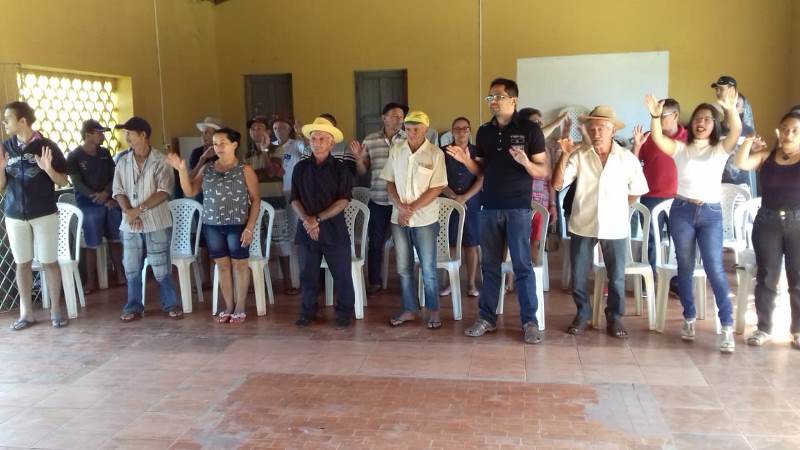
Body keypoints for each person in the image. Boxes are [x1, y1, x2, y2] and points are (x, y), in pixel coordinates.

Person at [448, 78, 548, 344]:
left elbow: (543, 171)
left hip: (517, 208)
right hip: (488, 207)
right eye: (490, 97)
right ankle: (487, 318)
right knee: (489, 266)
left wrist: (526, 162)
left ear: (513, 100)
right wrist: (465, 160)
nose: (492, 101)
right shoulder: (484, 132)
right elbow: (480, 171)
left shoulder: (530, 130)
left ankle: (530, 322)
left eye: (498, 96)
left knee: (522, 267)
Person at [644, 89, 742, 353]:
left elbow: (735, 132)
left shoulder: (720, 149)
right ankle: (689, 318)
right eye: (698, 118)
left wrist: (731, 108)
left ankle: (727, 326)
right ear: (691, 122)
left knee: (714, 268)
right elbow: (657, 137)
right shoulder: (681, 149)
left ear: (714, 125)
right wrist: (655, 116)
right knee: (684, 267)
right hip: (682, 210)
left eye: (708, 119)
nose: (701, 122)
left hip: (710, 213)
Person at [552, 106, 649, 338]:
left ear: (612, 130)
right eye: (592, 127)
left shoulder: (627, 159)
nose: (596, 132)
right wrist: (564, 154)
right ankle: (582, 314)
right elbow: (557, 184)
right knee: (578, 275)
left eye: (601, 128)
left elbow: (636, 191)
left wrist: (617, 207)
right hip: (583, 223)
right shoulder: (579, 156)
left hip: (614, 225)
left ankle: (614, 318)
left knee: (615, 276)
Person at [168, 127, 260, 324]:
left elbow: (255, 199)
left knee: (240, 264)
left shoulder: (245, 170)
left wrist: (250, 227)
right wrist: (182, 170)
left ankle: (241, 305)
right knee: (223, 266)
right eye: (215, 144)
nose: (218, 147)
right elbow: (190, 191)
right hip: (212, 225)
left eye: (222, 143)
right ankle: (228, 305)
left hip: (238, 224)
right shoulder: (207, 169)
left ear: (234, 145)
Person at [1, 101, 70, 330]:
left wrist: (48, 169)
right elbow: (1, 187)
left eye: (7, 118)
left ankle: (56, 311)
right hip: (14, 214)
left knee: (50, 262)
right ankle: (26, 313)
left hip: (44, 213)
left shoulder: (46, 146)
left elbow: (63, 181)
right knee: (22, 264)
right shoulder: (5, 147)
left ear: (22, 121)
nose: (4, 122)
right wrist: (1, 169)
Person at [735, 112, 800, 348]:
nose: (788, 134)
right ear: (778, 131)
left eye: (794, 130)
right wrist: (749, 143)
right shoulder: (767, 156)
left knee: (797, 278)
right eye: (784, 129)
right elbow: (740, 163)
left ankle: (798, 330)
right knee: (767, 277)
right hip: (767, 222)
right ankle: (763, 328)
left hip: (797, 223)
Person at [112, 116, 183, 322]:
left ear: (143, 135)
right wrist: (128, 211)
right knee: (131, 266)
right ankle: (133, 306)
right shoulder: (122, 161)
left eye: (129, 134)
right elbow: (118, 191)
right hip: (130, 223)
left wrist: (139, 210)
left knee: (161, 263)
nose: (127, 138)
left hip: (156, 221)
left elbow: (164, 192)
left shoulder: (161, 160)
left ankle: (170, 304)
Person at [381, 111, 448, 328]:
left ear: (426, 129)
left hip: (425, 220)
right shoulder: (397, 150)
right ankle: (409, 309)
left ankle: (434, 311)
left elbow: (437, 187)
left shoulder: (435, 154)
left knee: (428, 268)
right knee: (403, 267)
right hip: (399, 218)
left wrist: (411, 208)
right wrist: (401, 208)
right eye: (408, 129)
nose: (412, 133)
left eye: (416, 129)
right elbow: (389, 182)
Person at [292, 117, 354, 329]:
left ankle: (345, 312)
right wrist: (307, 221)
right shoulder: (300, 168)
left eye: (322, 138)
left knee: (342, 274)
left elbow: (343, 200)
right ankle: (307, 310)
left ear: (331, 143)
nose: (317, 142)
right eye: (313, 138)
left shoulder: (341, 168)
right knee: (307, 274)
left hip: (334, 230)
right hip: (307, 229)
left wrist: (316, 219)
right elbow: (294, 199)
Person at [349, 102, 409, 296]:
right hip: (379, 199)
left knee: (404, 244)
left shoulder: (409, 139)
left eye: (401, 116)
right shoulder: (370, 140)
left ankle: (405, 282)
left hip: (402, 202)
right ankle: (374, 281)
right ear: (383, 118)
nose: (398, 119)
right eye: (394, 116)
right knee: (375, 242)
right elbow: (363, 171)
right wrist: (359, 159)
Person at [67, 119, 126, 293]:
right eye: (99, 133)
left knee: (116, 231)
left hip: (108, 199)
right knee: (91, 239)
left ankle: (120, 274)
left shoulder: (105, 153)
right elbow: (77, 184)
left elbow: (114, 177)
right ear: (88, 135)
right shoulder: (74, 156)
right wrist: (96, 197)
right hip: (88, 203)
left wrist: (107, 194)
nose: (102, 136)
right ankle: (91, 282)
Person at [631, 99, 687, 277]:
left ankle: (679, 282)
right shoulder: (649, 137)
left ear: (675, 116)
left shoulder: (689, 138)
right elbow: (633, 166)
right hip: (651, 197)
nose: (656, 119)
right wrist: (637, 146)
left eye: (660, 115)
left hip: (680, 199)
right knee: (650, 241)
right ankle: (648, 280)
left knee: (680, 242)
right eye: (653, 115)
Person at [244, 116, 297, 295]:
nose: (256, 132)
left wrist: (265, 151)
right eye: (253, 129)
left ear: (267, 131)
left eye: (260, 128)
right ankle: (255, 282)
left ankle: (288, 282)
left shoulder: (277, 149)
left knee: (280, 241)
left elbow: (273, 171)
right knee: (255, 242)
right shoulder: (247, 154)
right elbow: (247, 178)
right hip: (255, 204)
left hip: (275, 201)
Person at [440, 117, 482, 298]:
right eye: (457, 129)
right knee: (451, 244)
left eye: (465, 128)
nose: (461, 132)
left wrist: (464, 197)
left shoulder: (477, 151)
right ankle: (451, 282)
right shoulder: (442, 152)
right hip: (448, 204)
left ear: (469, 131)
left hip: (472, 202)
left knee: (471, 244)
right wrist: (453, 197)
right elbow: (438, 180)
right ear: (452, 131)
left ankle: (471, 283)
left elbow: (482, 177)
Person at [186, 116, 223, 285]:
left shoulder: (224, 152)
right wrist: (203, 159)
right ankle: (206, 279)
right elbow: (190, 178)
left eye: (208, 132)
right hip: (201, 201)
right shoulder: (196, 153)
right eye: (203, 132)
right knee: (203, 241)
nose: (204, 136)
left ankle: (222, 279)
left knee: (219, 240)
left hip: (220, 202)